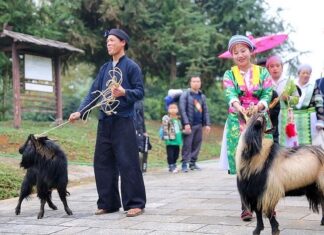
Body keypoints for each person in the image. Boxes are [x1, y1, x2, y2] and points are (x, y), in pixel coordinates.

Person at [68, 28, 146, 217]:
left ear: (123, 43)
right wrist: (80, 110)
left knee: (128, 163)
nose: (108, 44)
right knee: (102, 163)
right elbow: (93, 93)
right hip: (105, 121)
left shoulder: (132, 67)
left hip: (124, 121)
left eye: (112, 40)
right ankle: (108, 203)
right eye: (107, 41)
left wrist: (124, 92)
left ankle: (135, 203)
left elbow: (140, 92)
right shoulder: (104, 68)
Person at [220, 35, 273, 221]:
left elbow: (267, 91)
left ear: (251, 51)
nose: (240, 55)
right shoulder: (229, 74)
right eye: (236, 52)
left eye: (243, 50)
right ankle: (246, 206)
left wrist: (260, 105)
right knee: (242, 162)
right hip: (237, 120)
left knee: (264, 160)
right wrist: (238, 106)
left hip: (259, 119)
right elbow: (229, 92)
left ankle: (267, 203)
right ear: (232, 55)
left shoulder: (263, 72)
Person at [179, 76, 211, 172]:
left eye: (198, 81)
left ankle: (193, 163)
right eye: (194, 81)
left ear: (200, 83)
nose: (196, 83)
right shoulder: (185, 95)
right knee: (187, 145)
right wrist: (186, 123)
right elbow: (182, 110)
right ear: (190, 83)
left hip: (199, 125)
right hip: (189, 125)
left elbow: (205, 111)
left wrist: (207, 124)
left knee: (197, 144)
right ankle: (185, 163)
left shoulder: (202, 96)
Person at [266, 55, 300, 146]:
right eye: (271, 66)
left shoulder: (289, 82)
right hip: (269, 117)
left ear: (282, 67)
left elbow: (297, 99)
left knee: (286, 145)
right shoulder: (265, 82)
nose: (275, 68)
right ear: (268, 68)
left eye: (277, 66)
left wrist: (288, 98)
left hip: (285, 117)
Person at [293, 64, 324, 144]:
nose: (306, 75)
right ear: (299, 74)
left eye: (308, 73)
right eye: (303, 73)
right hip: (295, 120)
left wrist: (320, 120)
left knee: (313, 145)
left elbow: (319, 103)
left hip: (311, 121)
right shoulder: (292, 86)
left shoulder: (314, 86)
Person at [161, 103, 183, 173]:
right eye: (171, 108)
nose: (173, 110)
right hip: (170, 140)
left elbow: (180, 129)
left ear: (177, 110)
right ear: (168, 110)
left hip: (177, 140)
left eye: (174, 108)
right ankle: (171, 165)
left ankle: (174, 163)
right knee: (170, 154)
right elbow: (164, 128)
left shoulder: (179, 119)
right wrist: (165, 137)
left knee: (176, 154)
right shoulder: (166, 118)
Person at [133, 99, 150, 173]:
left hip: (139, 129)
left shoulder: (139, 102)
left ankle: (141, 169)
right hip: (127, 128)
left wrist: (144, 131)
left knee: (141, 149)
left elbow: (141, 117)